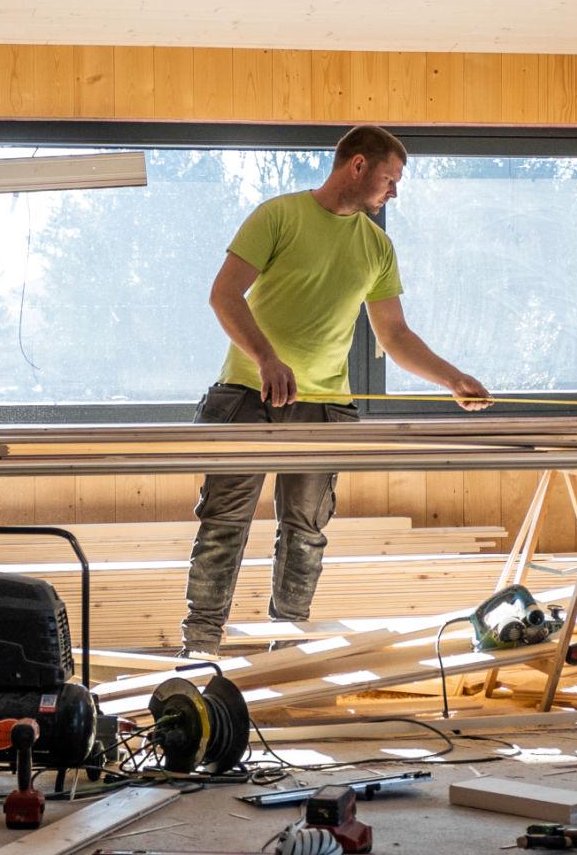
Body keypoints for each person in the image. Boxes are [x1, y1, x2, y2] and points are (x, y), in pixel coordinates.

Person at [180, 124, 490, 655]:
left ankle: (286, 650)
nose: (394, 191)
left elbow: (393, 334)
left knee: (305, 535)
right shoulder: (279, 216)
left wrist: (452, 378)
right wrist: (266, 359)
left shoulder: (376, 246)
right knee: (223, 525)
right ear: (358, 166)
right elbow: (224, 295)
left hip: (324, 406)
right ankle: (201, 648)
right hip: (246, 395)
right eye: (390, 179)